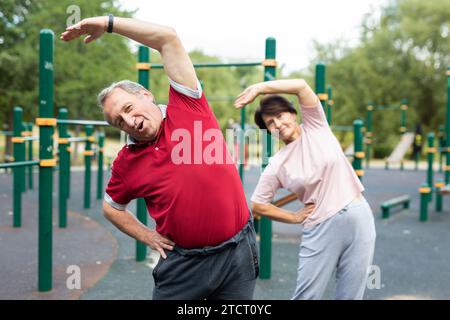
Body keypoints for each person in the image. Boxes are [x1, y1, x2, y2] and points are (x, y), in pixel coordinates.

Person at [61, 16, 258, 300]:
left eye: (129, 107)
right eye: (119, 121)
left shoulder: (187, 106)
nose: (128, 120)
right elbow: (111, 208)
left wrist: (108, 24)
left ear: (146, 95)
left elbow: (167, 38)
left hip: (238, 251)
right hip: (185, 265)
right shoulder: (126, 163)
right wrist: (146, 235)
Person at [234, 79, 376, 300]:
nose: (278, 124)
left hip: (359, 214)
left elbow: (301, 86)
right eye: (270, 123)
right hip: (321, 226)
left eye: (280, 116)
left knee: (351, 294)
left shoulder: (317, 126)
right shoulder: (277, 164)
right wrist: (293, 217)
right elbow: (258, 204)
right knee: (306, 296)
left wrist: (260, 89)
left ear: (293, 114)